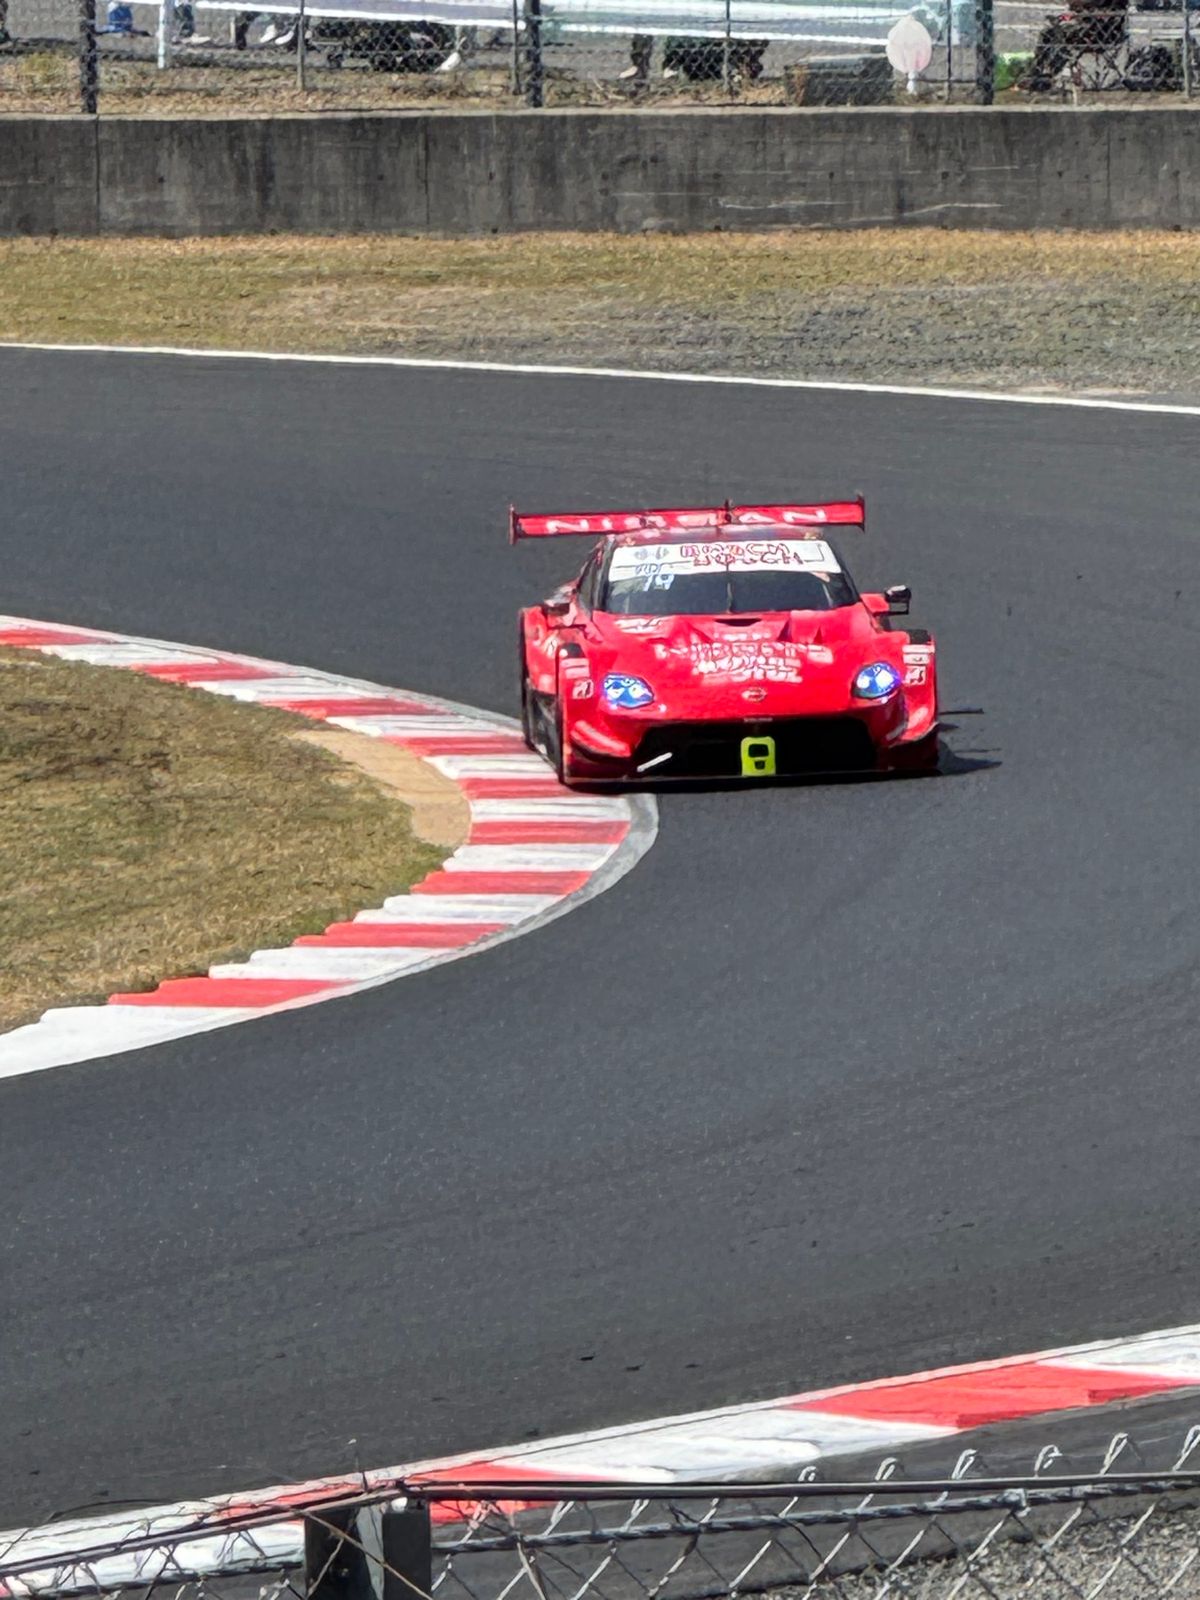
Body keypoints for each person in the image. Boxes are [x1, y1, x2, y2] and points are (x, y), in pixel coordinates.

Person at [1020, 0, 1128, 87]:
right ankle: (1042, 73)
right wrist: (1068, 16)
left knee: (1052, 33)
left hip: (1099, 32)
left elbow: (1090, 10)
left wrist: (1078, 8)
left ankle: (1040, 73)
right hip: (1095, 29)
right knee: (1053, 33)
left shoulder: (1110, 6)